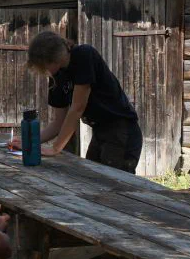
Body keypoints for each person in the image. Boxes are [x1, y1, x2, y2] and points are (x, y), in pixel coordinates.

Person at [9, 31, 142, 173]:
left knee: (114, 186)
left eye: (43, 66)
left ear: (51, 60)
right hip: (99, 132)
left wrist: (55, 148)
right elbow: (58, 123)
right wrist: (30, 143)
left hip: (122, 131)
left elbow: (78, 107)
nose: (43, 71)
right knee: (92, 181)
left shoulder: (84, 55)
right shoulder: (57, 77)